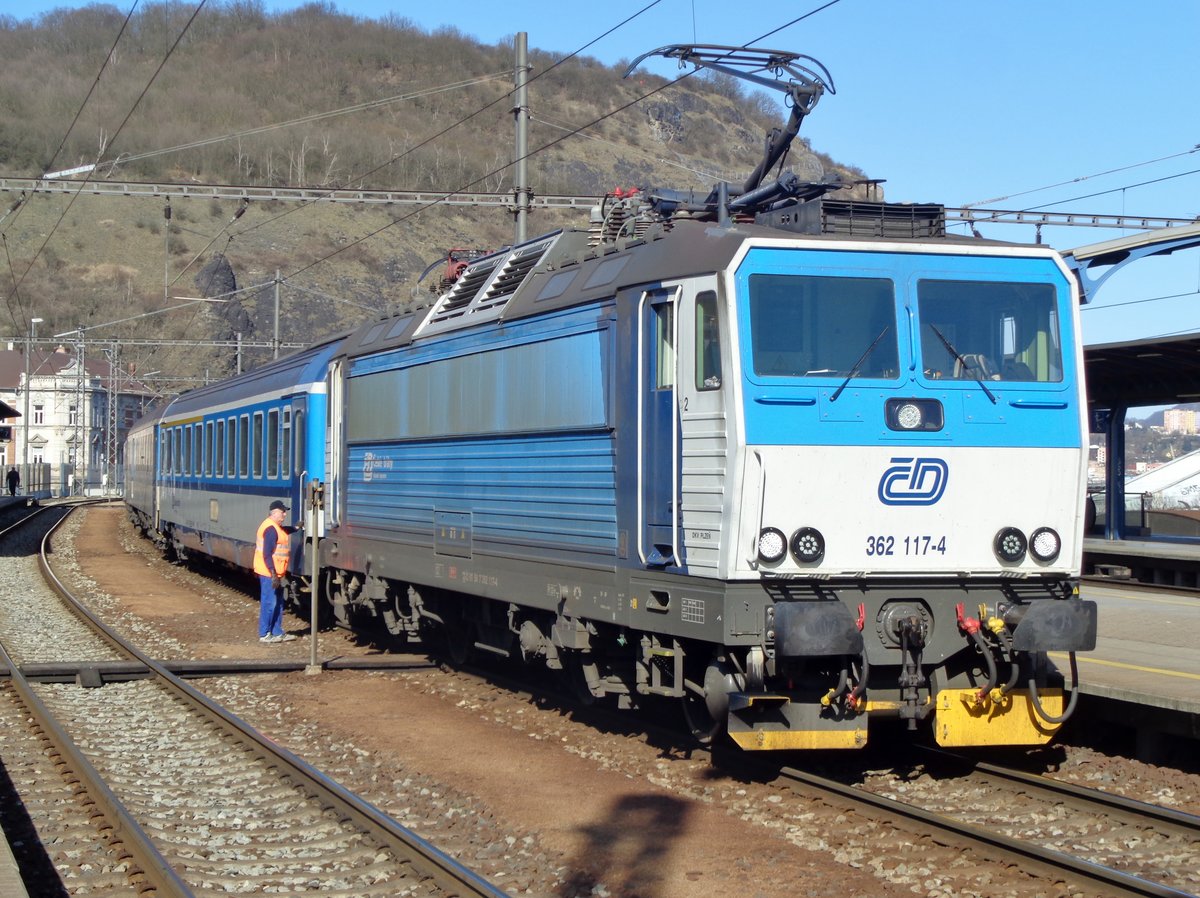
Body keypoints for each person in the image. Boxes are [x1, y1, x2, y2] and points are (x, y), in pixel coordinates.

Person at [253, 499, 297, 643]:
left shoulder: (276, 527)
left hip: (275, 573)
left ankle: (277, 632)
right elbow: (267, 553)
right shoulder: (270, 529)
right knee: (269, 603)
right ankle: (265, 634)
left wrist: (296, 527)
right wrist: (273, 574)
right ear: (275, 512)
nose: (284, 514)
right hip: (268, 574)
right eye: (282, 512)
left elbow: (284, 531)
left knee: (278, 602)